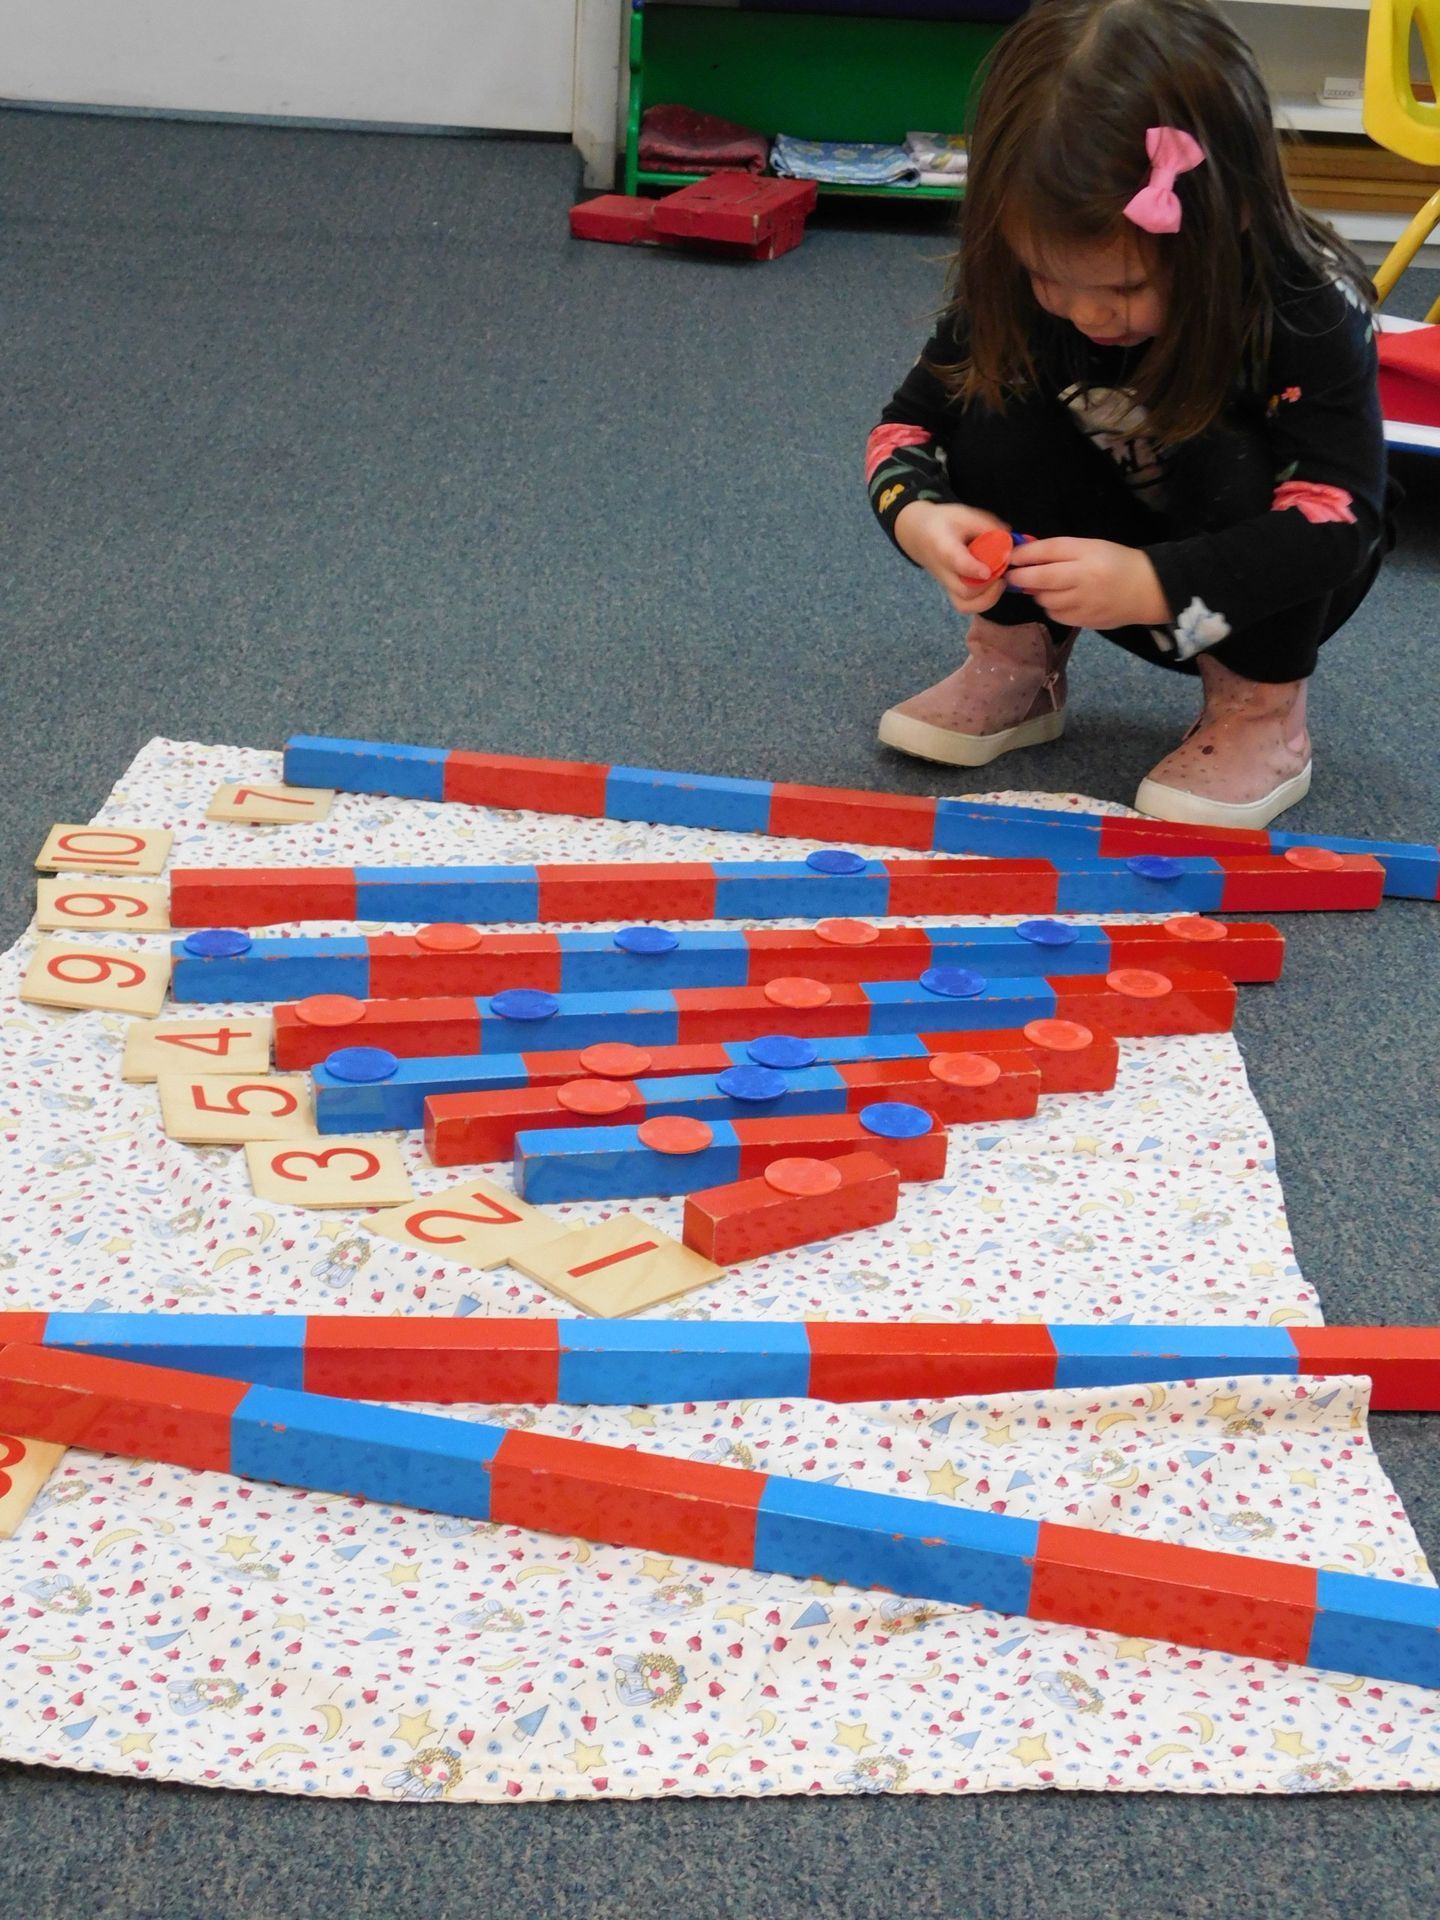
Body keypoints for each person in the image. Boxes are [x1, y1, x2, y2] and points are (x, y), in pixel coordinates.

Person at [866, 0, 1395, 829]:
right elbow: (907, 430)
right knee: (991, 408)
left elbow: (1341, 520)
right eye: (1049, 278)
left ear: (1231, 221)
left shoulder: (1303, 310)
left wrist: (1153, 583)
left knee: (1231, 461)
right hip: (1088, 565)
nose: (1084, 315)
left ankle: (1261, 713)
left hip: (1256, 581)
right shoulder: (1023, 282)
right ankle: (1018, 664)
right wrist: (923, 521)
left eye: (1122, 288)